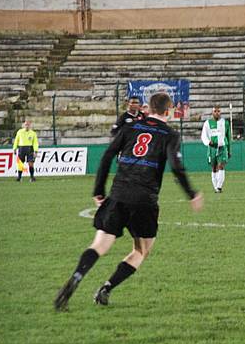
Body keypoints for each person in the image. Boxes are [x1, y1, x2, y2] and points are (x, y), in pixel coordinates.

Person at [54, 92, 204, 311]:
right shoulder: (170, 135)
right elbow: (176, 167)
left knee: (99, 245)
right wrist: (192, 194)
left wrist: (98, 190)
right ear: (168, 111)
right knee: (141, 251)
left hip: (118, 195)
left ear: (149, 108)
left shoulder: (130, 127)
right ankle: (106, 288)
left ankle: (76, 278)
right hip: (145, 201)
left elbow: (107, 157)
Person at [200, 105, 232, 193]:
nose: (217, 113)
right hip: (212, 148)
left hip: (222, 147)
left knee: (221, 165)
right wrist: (208, 142)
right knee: (214, 168)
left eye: (218, 111)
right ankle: (215, 187)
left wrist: (229, 150)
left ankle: (219, 187)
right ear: (212, 112)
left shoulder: (225, 123)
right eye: (215, 111)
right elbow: (203, 135)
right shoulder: (207, 123)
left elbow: (228, 137)